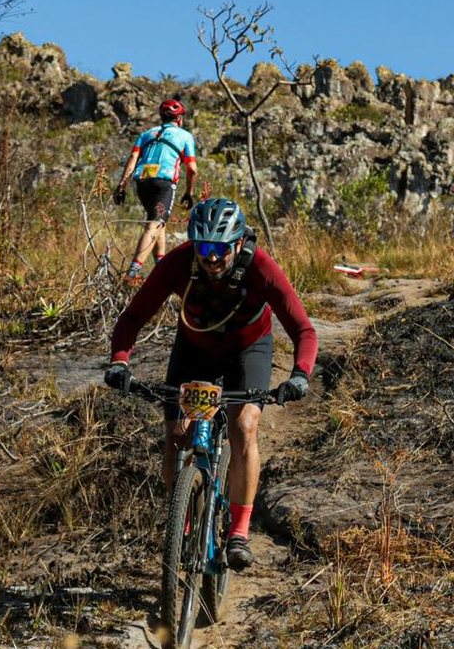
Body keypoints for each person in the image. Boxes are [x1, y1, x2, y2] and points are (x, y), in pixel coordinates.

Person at [104, 198, 317, 571]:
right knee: (176, 434)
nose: (212, 258)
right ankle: (180, 526)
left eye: (220, 249)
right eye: (204, 248)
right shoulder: (177, 263)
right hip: (194, 349)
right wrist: (120, 362)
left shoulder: (261, 268)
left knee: (243, 426)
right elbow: (132, 317)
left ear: (237, 243)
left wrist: (300, 374)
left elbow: (303, 330)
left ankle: (238, 532)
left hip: (247, 349)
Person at [113, 99, 198, 285]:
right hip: (164, 183)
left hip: (142, 182)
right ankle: (132, 273)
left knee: (159, 222)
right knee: (155, 224)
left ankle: (162, 267)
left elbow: (133, 158)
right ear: (180, 119)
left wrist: (122, 186)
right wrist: (189, 192)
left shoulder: (146, 134)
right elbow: (192, 169)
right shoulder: (185, 136)